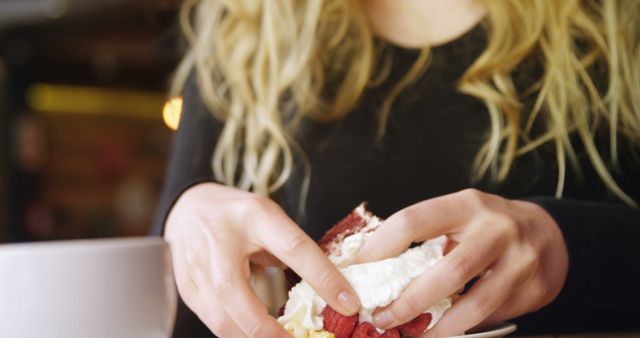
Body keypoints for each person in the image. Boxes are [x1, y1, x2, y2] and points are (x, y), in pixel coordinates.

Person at [153, 0, 640, 337]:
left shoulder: (616, 23)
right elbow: (165, 301)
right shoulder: (247, 28)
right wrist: (187, 222)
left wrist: (569, 243)